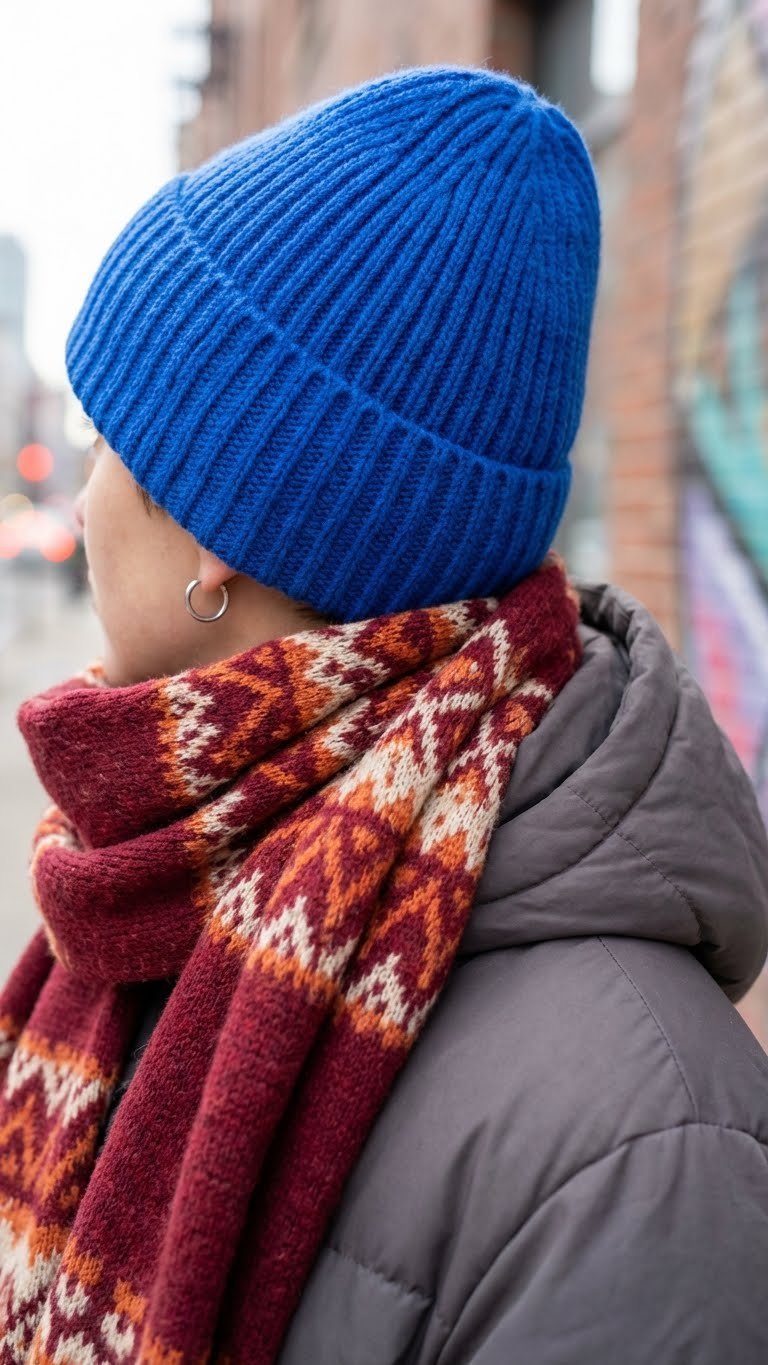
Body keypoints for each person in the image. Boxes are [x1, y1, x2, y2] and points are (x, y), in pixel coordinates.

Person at [0, 65, 766, 1365]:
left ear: (224, 526)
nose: (84, 483)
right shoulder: (157, 881)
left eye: (106, 428)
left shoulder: (644, 1142)